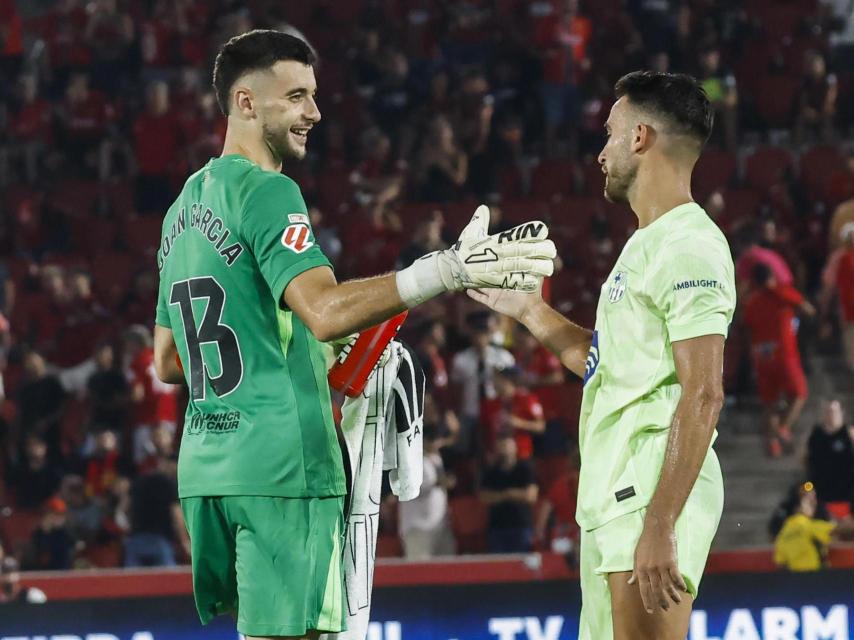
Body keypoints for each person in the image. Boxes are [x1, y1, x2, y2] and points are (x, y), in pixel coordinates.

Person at [152, 29, 554, 640]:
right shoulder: (269, 192)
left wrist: (287, 337)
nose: (315, 112)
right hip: (285, 468)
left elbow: (167, 360)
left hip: (211, 470)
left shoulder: (181, 208)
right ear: (246, 102)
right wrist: (440, 270)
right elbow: (324, 310)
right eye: (296, 96)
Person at [469, 71, 735, 639]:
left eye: (610, 134)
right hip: (619, 493)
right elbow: (608, 365)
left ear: (640, 137)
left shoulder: (689, 245)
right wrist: (526, 308)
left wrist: (661, 522)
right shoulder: (648, 242)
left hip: (649, 488)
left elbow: (705, 391)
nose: (600, 152)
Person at [743, 263, 815, 457]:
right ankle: (783, 428)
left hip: (761, 356)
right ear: (771, 276)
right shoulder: (781, 292)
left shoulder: (752, 301)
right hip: (784, 354)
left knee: (770, 403)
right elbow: (808, 309)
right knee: (800, 393)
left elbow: (746, 327)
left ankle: (773, 443)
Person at [774, 481, 854, 572]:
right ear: (797, 507)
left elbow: (781, 564)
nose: (813, 505)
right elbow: (844, 529)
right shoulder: (807, 526)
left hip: (794, 580)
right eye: (809, 502)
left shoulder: (783, 533)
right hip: (813, 577)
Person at [480, 435, 539, 553]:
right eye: (502, 446)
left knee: (521, 565)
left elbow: (531, 496)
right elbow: (484, 497)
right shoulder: (491, 471)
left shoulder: (525, 469)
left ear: (515, 448)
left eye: (508, 445)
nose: (505, 449)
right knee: (498, 566)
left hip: (521, 526)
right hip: (497, 528)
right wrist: (509, 494)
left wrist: (503, 495)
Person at [806, 399, 854, 517]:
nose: (831, 414)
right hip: (821, 492)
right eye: (828, 411)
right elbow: (805, 458)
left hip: (846, 492)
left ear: (841, 413)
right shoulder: (816, 435)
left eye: (834, 411)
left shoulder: (848, 433)